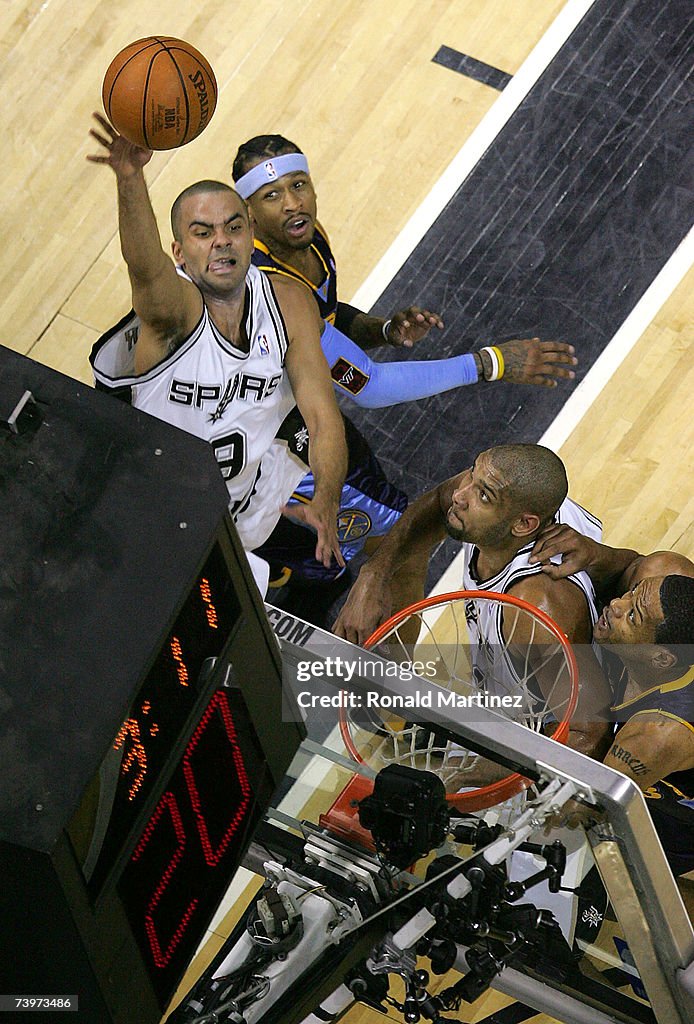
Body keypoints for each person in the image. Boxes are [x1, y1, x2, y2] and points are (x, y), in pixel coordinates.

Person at [231, 135, 579, 600]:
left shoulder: (307, 240)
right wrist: (490, 363)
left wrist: (383, 331)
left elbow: (327, 317)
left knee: (344, 551)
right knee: (394, 547)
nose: (293, 203)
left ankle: (292, 575)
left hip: (294, 406)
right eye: (272, 196)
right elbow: (369, 385)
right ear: (249, 213)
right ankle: (386, 663)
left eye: (299, 185)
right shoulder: (268, 284)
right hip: (265, 435)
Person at [87, 114, 347, 583]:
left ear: (251, 232)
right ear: (180, 253)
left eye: (232, 227)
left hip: (248, 506)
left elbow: (324, 415)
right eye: (203, 233)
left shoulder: (288, 302)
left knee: (330, 574)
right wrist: (131, 180)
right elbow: (144, 268)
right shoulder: (175, 315)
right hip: (152, 517)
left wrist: (326, 498)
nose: (221, 241)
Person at [334, 444, 612, 758]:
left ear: (524, 524)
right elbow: (440, 502)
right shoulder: (510, 507)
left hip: (542, 740)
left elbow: (587, 734)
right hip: (512, 693)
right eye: (472, 472)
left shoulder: (535, 604)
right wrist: (372, 577)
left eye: (483, 495)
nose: (460, 494)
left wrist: (494, 779)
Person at [529, 528, 694, 900]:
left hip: (675, 817)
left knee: (559, 877)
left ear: (661, 658)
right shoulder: (666, 579)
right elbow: (635, 566)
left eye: (632, 617)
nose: (616, 605)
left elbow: (579, 807)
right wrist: (595, 554)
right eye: (632, 595)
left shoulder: (659, 731)